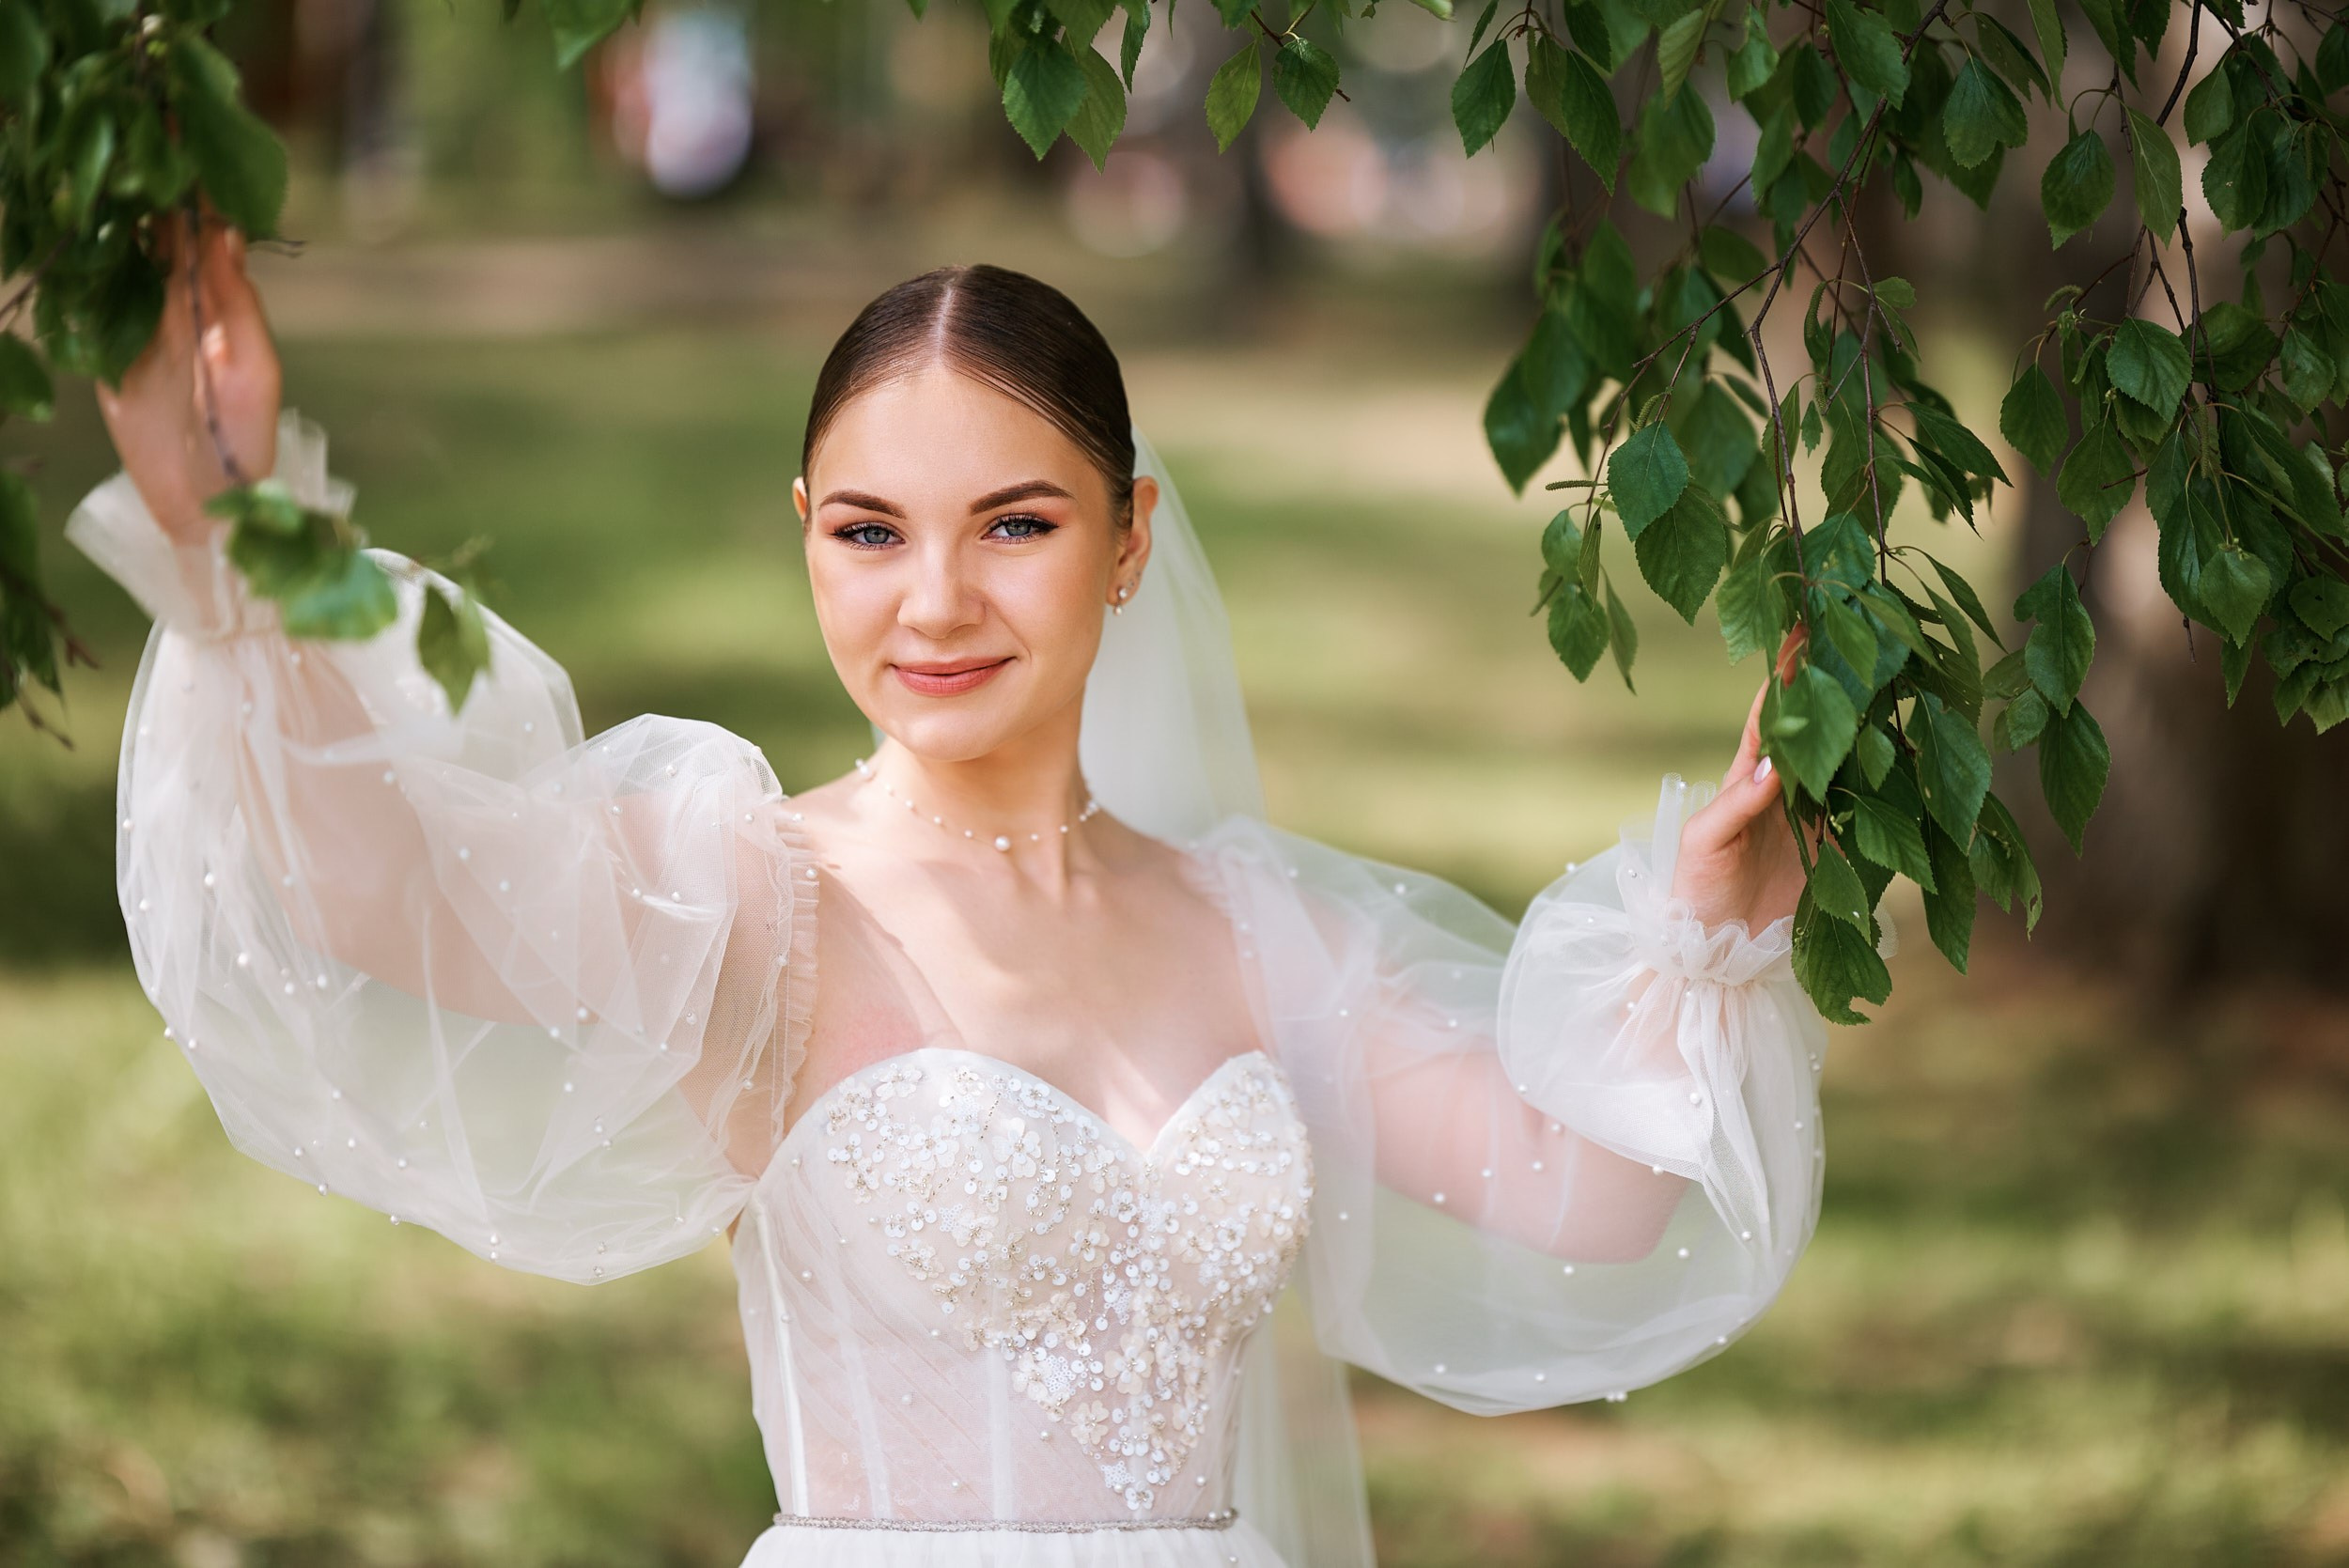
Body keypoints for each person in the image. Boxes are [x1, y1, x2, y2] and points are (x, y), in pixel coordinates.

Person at [75, 214, 1829, 1568]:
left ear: (1128, 536)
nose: (934, 602)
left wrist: (1714, 927)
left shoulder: (1256, 924)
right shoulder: (758, 892)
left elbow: (1592, 1198)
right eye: (868, 530)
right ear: (805, 530)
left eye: (1015, 524)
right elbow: (376, 883)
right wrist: (232, 537)